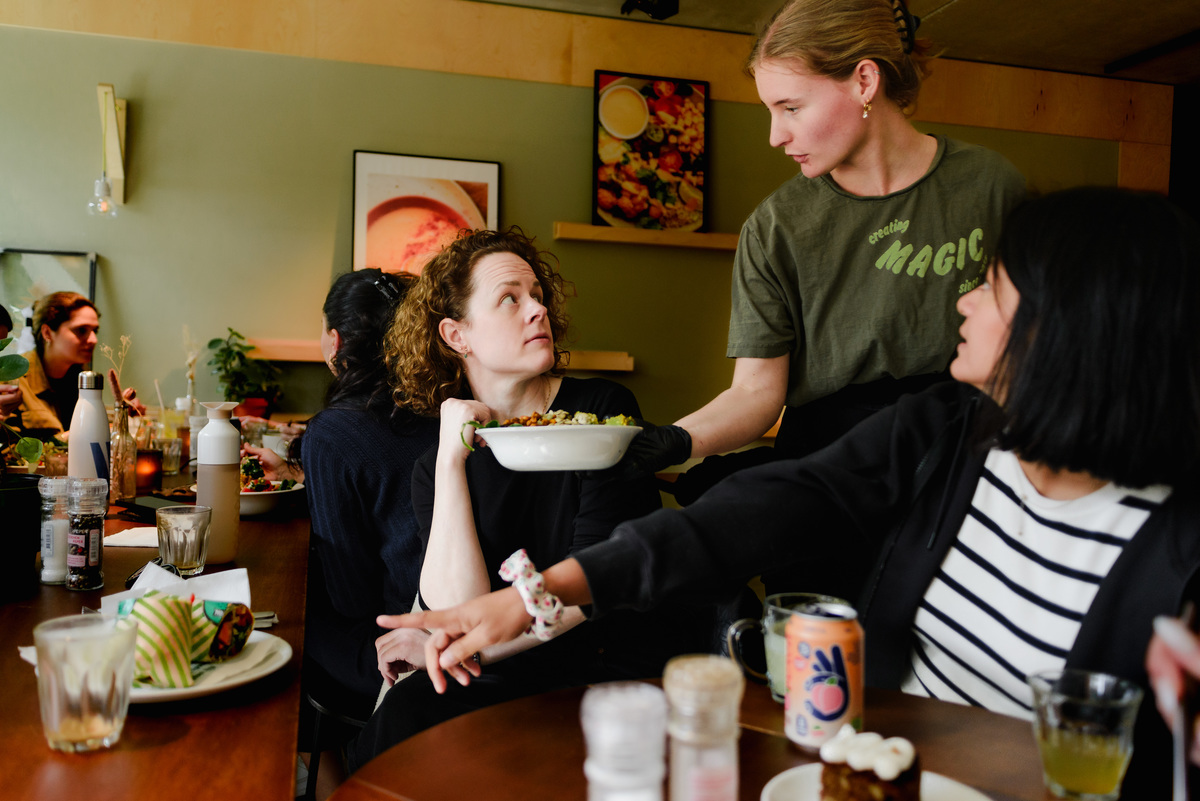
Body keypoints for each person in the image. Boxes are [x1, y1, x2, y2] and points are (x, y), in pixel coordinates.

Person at [380, 188, 1200, 797]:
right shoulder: (946, 430)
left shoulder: (1179, 541)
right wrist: (535, 596)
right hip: (873, 776)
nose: (964, 299)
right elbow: (760, 509)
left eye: (991, 285)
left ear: (1069, 328)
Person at [621, 0, 1026, 505]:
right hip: (827, 480)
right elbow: (755, 392)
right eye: (770, 111)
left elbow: (1035, 345)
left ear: (864, 81)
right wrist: (677, 440)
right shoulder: (775, 228)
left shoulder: (991, 186)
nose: (775, 136)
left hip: (962, 469)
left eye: (790, 107)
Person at [349, 227, 715, 771]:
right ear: (457, 335)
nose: (536, 310)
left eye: (536, 295)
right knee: (405, 719)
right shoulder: (436, 467)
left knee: (423, 712)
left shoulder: (601, 412)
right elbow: (457, 610)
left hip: (607, 664)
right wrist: (451, 461)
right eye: (509, 299)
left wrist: (447, 647)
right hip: (505, 668)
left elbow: (592, 588)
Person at [286, 268, 439, 798]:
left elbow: (352, 595)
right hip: (460, 625)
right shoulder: (439, 409)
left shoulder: (332, 432)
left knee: (285, 624)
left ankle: (337, 789)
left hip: (400, 646)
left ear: (335, 342)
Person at [10, 291, 142, 438]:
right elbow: (7, 451)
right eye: (81, 330)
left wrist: (121, 413)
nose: (93, 339)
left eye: (95, 331)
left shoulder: (81, 379)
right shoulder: (14, 379)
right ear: (47, 333)